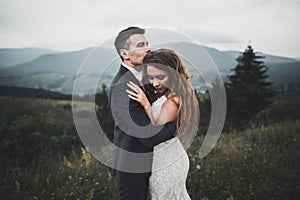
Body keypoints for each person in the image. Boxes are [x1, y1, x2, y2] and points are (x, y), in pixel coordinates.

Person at [108, 27, 177, 200]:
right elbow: (147, 136)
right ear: (125, 54)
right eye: (140, 45)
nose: (147, 48)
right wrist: (177, 125)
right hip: (132, 166)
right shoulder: (122, 87)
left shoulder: (144, 75)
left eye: (147, 43)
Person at [126, 48, 199, 199]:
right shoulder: (171, 93)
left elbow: (155, 131)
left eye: (160, 77)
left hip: (166, 162)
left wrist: (146, 105)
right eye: (151, 77)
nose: (155, 83)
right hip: (170, 155)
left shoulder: (172, 101)